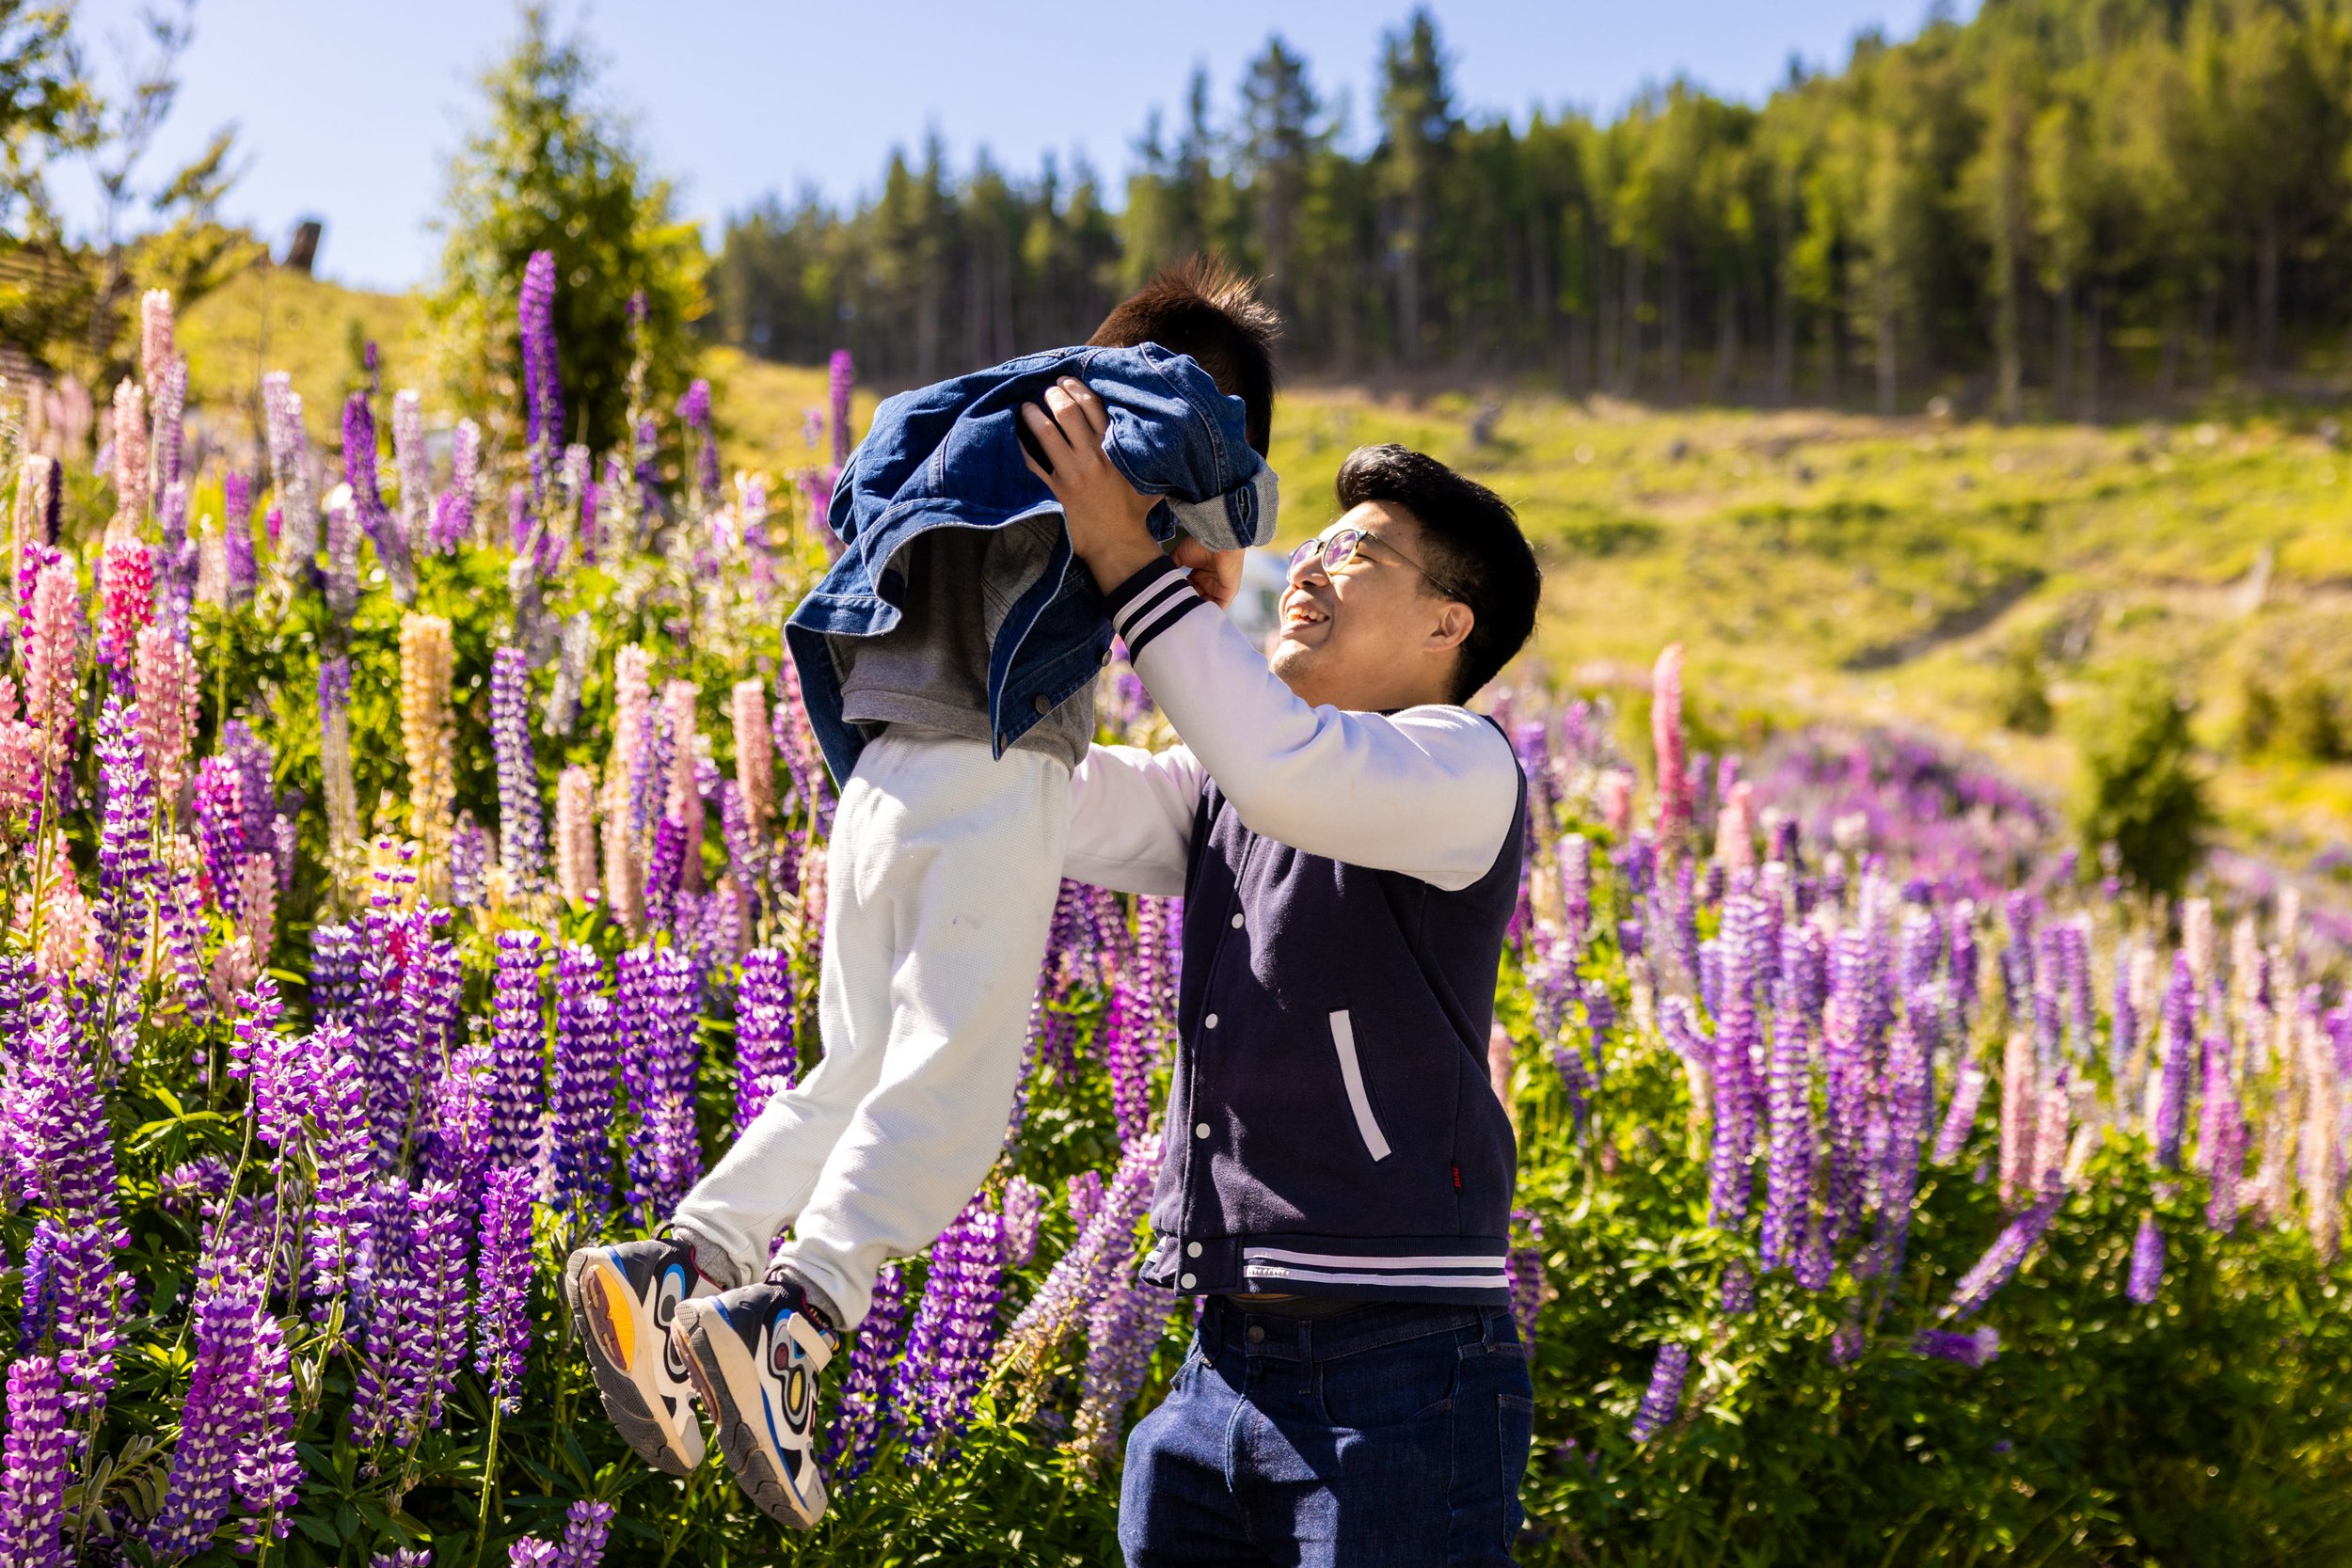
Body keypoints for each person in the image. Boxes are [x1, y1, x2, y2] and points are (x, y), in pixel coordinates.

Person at [562, 261, 1280, 1529]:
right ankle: (798, 1312)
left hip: (879, 776)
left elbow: (855, 505)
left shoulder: (958, 422)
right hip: (991, 774)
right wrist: (1219, 527)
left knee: (859, 1067)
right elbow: (1196, 433)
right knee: (951, 1093)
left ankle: (681, 1260)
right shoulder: (1139, 411)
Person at [1025, 384, 1544, 1566]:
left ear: (1446, 627)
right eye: (1314, 539)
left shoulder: (1463, 767)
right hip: (1214, 1362)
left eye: (1358, 551)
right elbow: (1042, 803)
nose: (1307, 564)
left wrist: (1128, 557)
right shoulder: (1235, 779)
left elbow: (1279, 767)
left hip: (1401, 1374)